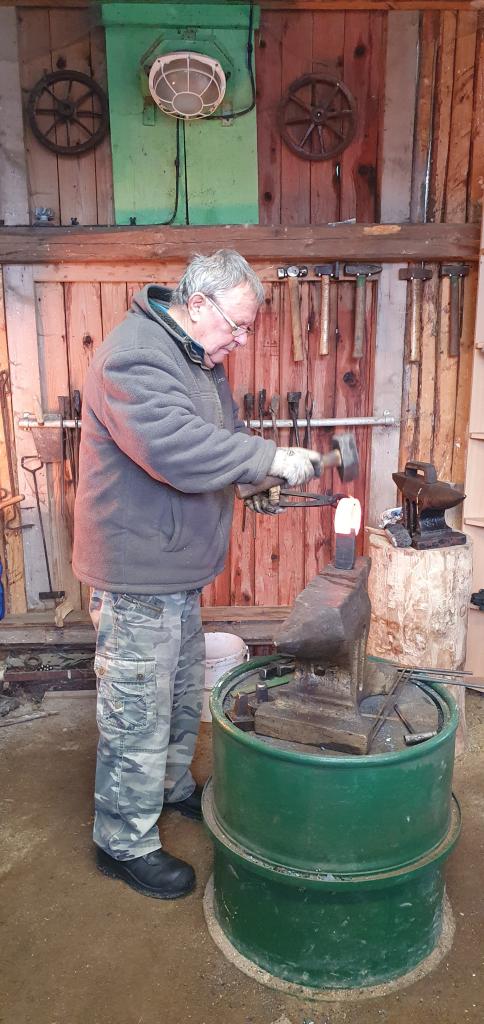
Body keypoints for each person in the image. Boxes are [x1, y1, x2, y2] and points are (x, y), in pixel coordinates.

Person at [73, 249, 320, 900]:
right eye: (237, 326)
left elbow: (222, 436)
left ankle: (168, 788)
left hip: (176, 567)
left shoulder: (198, 360)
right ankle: (122, 841)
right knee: (137, 711)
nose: (242, 340)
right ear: (199, 304)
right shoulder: (134, 356)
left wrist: (255, 482)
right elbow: (175, 449)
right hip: (136, 571)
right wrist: (271, 458)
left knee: (180, 692)